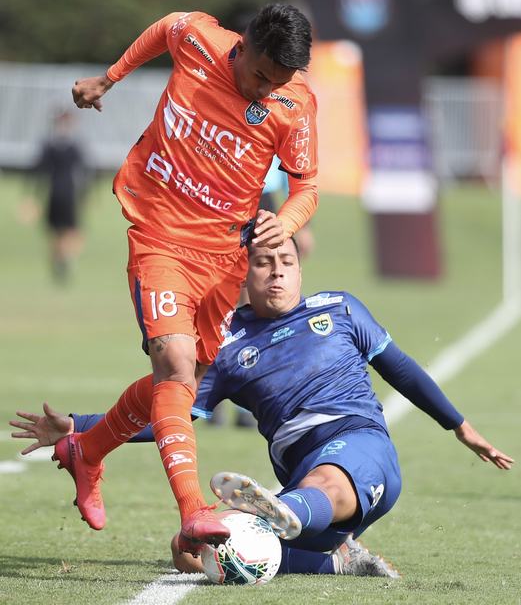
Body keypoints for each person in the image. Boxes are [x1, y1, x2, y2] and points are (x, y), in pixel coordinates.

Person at [11, 238, 513, 577]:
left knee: (326, 482)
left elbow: (400, 369)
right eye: (263, 263)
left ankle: (277, 513)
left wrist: (459, 425)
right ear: (243, 273)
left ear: (300, 269)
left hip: (359, 445)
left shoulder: (340, 308)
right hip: (300, 473)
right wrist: (78, 426)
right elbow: (170, 411)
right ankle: (336, 557)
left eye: (286, 262)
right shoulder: (225, 344)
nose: (277, 272)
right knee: (193, 554)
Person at [60, 4, 318, 554]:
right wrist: (109, 78)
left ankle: (87, 450)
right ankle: (194, 512)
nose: (263, 91)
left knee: (183, 384)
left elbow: (307, 187)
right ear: (243, 45)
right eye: (259, 76)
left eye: (277, 83)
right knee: (175, 364)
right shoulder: (199, 39)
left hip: (224, 257)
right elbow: (165, 27)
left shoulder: (294, 104)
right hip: (159, 235)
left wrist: (286, 222)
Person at [30, 109, 89, 282]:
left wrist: (34, 196)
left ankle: (59, 258)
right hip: (67, 193)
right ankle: (64, 258)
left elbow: (39, 171)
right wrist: (85, 195)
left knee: (58, 231)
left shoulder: (50, 145)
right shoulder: (72, 146)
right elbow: (84, 172)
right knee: (68, 230)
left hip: (55, 192)